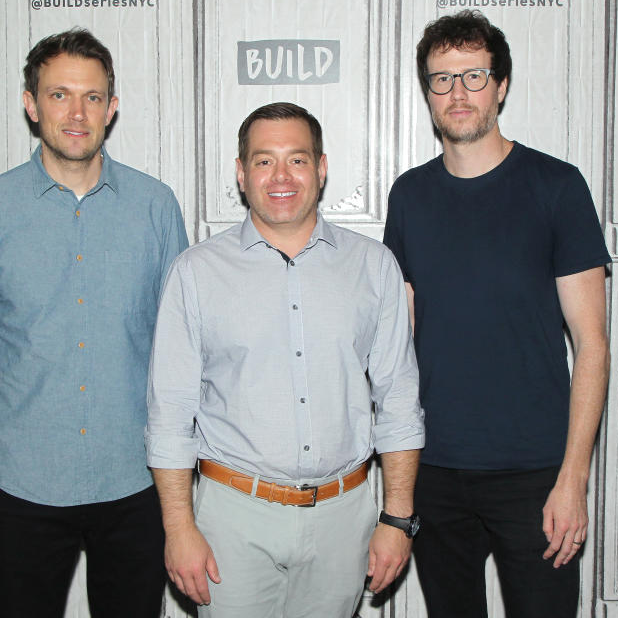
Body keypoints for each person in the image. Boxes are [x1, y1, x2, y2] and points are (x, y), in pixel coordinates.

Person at [146, 102, 425, 618]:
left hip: (345, 518)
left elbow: (399, 401)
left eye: (296, 160)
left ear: (321, 169)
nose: (280, 177)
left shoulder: (374, 266)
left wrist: (398, 517)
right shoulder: (195, 273)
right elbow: (170, 412)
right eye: (263, 160)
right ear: (240, 172)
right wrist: (179, 527)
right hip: (232, 517)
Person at [0, 28, 188, 618]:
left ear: (112, 105)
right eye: (59, 95)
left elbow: (177, 343)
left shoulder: (155, 207)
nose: (77, 113)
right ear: (31, 104)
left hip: (135, 480)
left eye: (92, 96)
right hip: (21, 481)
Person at [383, 10, 610, 618]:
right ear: (427, 91)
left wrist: (573, 478)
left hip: (535, 475)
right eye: (441, 79)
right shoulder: (409, 195)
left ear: (501, 86)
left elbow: (592, 345)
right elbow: (398, 342)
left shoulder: (556, 187)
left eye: (474, 76)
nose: (457, 94)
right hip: (433, 470)